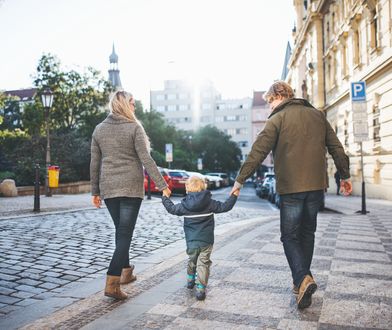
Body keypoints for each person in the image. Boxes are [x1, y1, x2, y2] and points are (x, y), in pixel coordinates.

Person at [231, 81, 352, 309]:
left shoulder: (277, 119)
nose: (269, 107)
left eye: (270, 101)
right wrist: (345, 176)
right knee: (307, 233)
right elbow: (336, 147)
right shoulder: (318, 116)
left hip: (291, 188)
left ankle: (302, 278)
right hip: (316, 187)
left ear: (279, 95)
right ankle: (301, 282)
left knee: (289, 235)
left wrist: (240, 180)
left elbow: (258, 151)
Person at [90, 90, 171, 300]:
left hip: (109, 188)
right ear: (125, 105)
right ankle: (112, 283)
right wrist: (162, 185)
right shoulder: (134, 127)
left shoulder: (99, 129)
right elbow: (146, 159)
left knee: (121, 231)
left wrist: (95, 192)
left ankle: (126, 272)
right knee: (124, 234)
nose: (135, 107)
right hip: (130, 189)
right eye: (133, 103)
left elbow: (95, 163)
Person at [162, 176, 238, 301]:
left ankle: (190, 280)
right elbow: (225, 206)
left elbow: (171, 209)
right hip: (206, 241)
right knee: (203, 263)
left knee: (192, 259)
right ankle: (201, 289)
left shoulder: (184, 205)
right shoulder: (210, 203)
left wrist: (165, 197)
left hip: (191, 241)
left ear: (188, 189)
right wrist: (234, 195)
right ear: (203, 187)